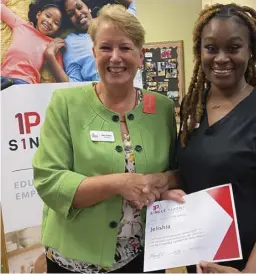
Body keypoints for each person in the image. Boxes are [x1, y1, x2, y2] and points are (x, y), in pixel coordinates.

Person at [33, 4, 178, 273]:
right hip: (73, 261)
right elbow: (49, 181)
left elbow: (177, 170)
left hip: (143, 256)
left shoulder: (162, 108)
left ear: (140, 55)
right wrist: (119, 183)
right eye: (105, 48)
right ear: (93, 53)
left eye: (125, 48)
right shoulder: (65, 103)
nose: (115, 57)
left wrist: (165, 181)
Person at [163, 3, 256, 273]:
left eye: (233, 47)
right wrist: (163, 183)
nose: (221, 58)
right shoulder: (192, 107)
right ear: (199, 51)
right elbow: (195, 170)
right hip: (206, 260)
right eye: (211, 47)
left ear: (251, 51)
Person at [44, 0, 136, 83]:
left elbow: (133, 4)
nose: (78, 14)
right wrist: (50, 57)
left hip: (131, 89)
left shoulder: (110, 22)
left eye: (79, 7)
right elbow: (73, 84)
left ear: (88, 8)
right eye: (71, 14)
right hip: (102, 96)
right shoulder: (71, 42)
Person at [0, 0, 63, 87]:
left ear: (58, 30)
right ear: (38, 15)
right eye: (48, 16)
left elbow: (61, 80)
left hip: (24, 83)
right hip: (2, 77)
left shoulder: (52, 45)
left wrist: (51, 53)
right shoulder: (21, 25)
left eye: (56, 23)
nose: (50, 22)